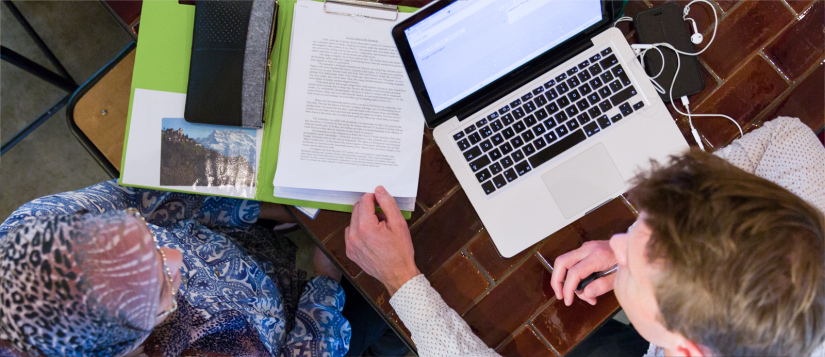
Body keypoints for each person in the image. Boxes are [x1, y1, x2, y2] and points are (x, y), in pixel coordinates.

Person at [343, 116, 825, 357]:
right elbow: (789, 138)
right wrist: (644, 257)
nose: (615, 245)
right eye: (638, 229)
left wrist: (401, 279)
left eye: (630, 265)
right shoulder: (808, 224)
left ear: (683, 350)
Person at [0, 182, 350, 357]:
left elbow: (143, 198)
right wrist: (326, 284)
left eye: (143, 237)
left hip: (240, 239)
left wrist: (269, 210)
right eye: (162, 287)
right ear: (131, 346)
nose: (175, 255)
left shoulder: (36, 224)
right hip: (303, 318)